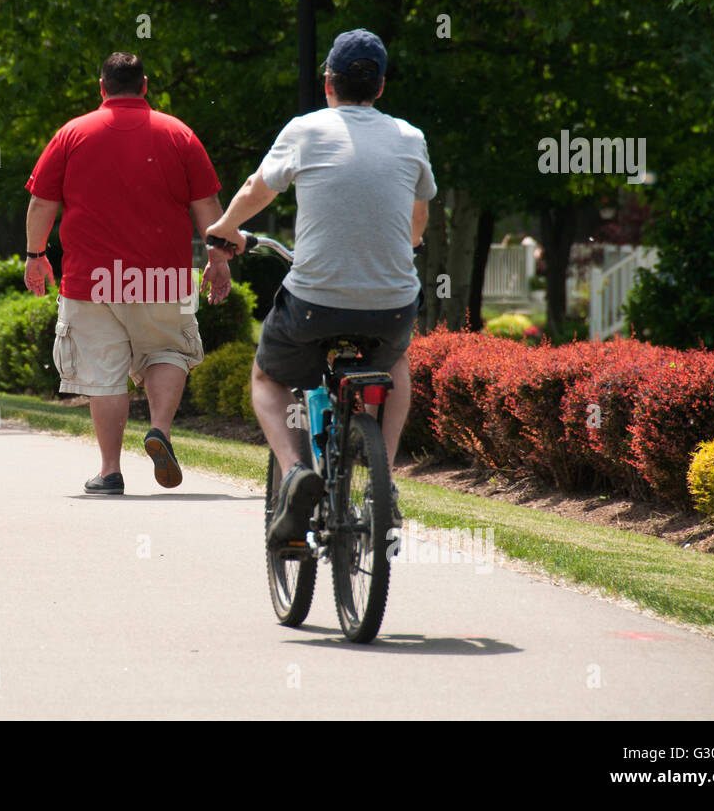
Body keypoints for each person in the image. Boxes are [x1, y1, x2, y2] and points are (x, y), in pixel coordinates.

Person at [205, 29, 437, 546]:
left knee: (267, 378)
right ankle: (384, 486)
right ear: (380, 87)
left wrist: (224, 233)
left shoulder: (305, 131)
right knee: (395, 362)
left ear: (327, 82)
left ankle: (294, 474)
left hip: (315, 304)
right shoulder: (410, 138)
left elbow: (253, 190)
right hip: (391, 305)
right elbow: (417, 224)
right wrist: (407, 247)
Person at [24, 52, 231, 494]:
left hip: (91, 280)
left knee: (104, 373)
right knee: (168, 352)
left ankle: (110, 470)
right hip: (164, 277)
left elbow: (42, 203)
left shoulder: (72, 134)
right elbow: (207, 207)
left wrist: (35, 254)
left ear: (102, 87)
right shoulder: (179, 134)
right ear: (145, 86)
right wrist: (219, 259)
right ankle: (159, 430)